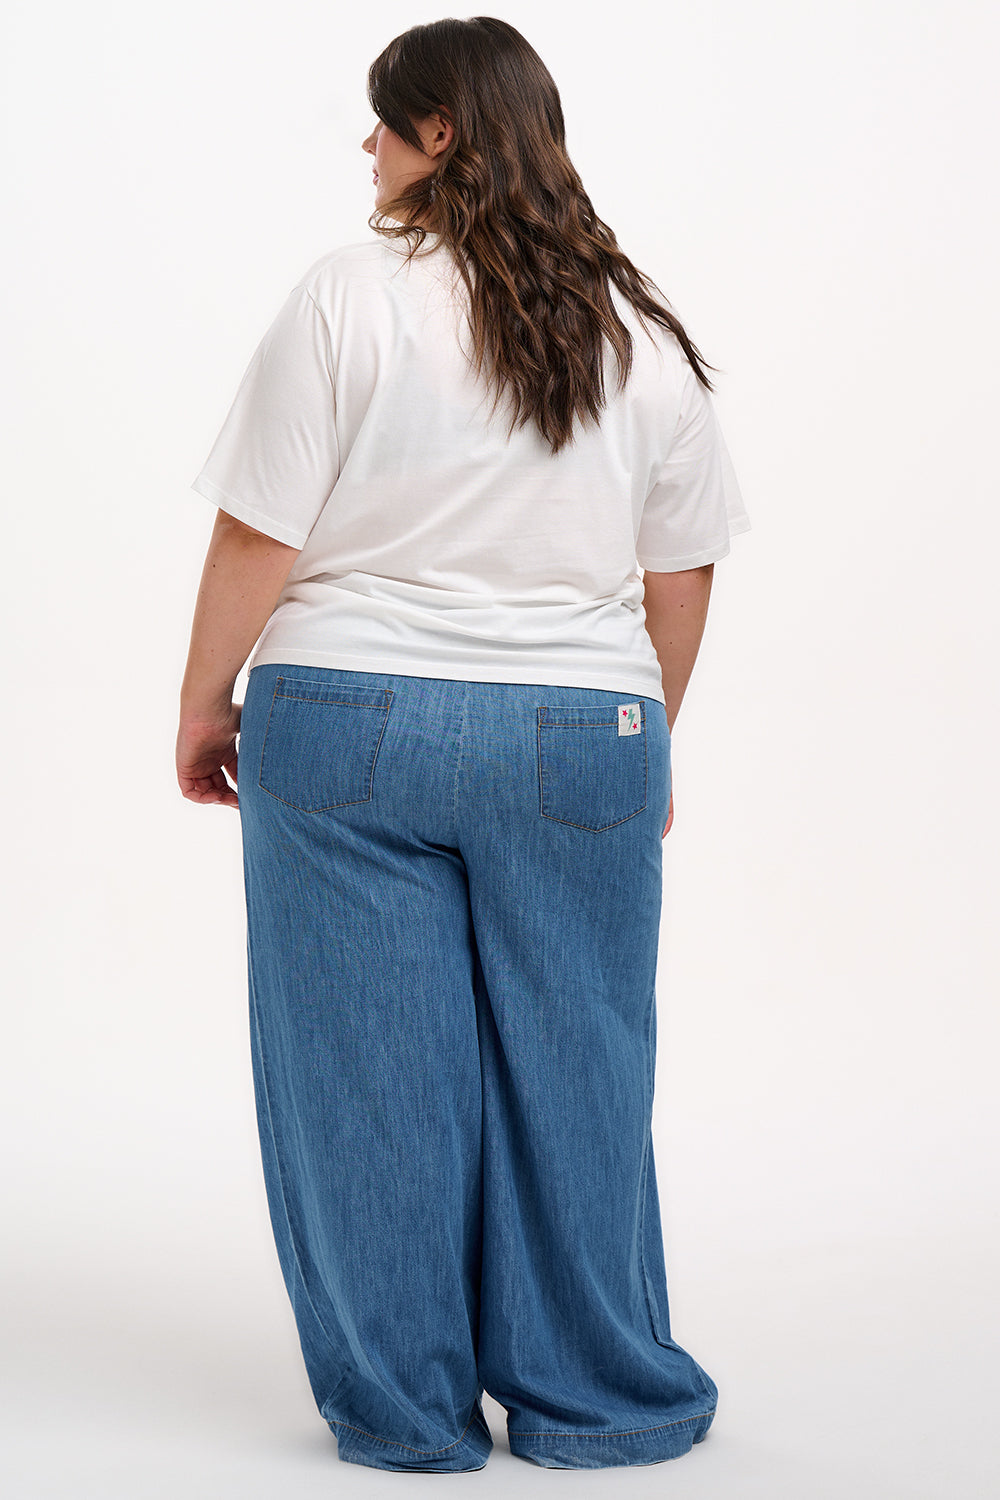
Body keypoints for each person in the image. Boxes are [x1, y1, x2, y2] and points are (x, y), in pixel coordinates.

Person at [176, 15, 749, 1475]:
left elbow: (260, 529)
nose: (365, 148)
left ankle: (408, 1414)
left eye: (383, 123)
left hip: (346, 721)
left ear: (442, 136)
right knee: (585, 1067)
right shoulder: (640, 329)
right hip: (585, 729)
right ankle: (600, 1399)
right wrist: (642, 745)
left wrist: (202, 699)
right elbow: (678, 575)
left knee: (366, 1077)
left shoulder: (346, 300)